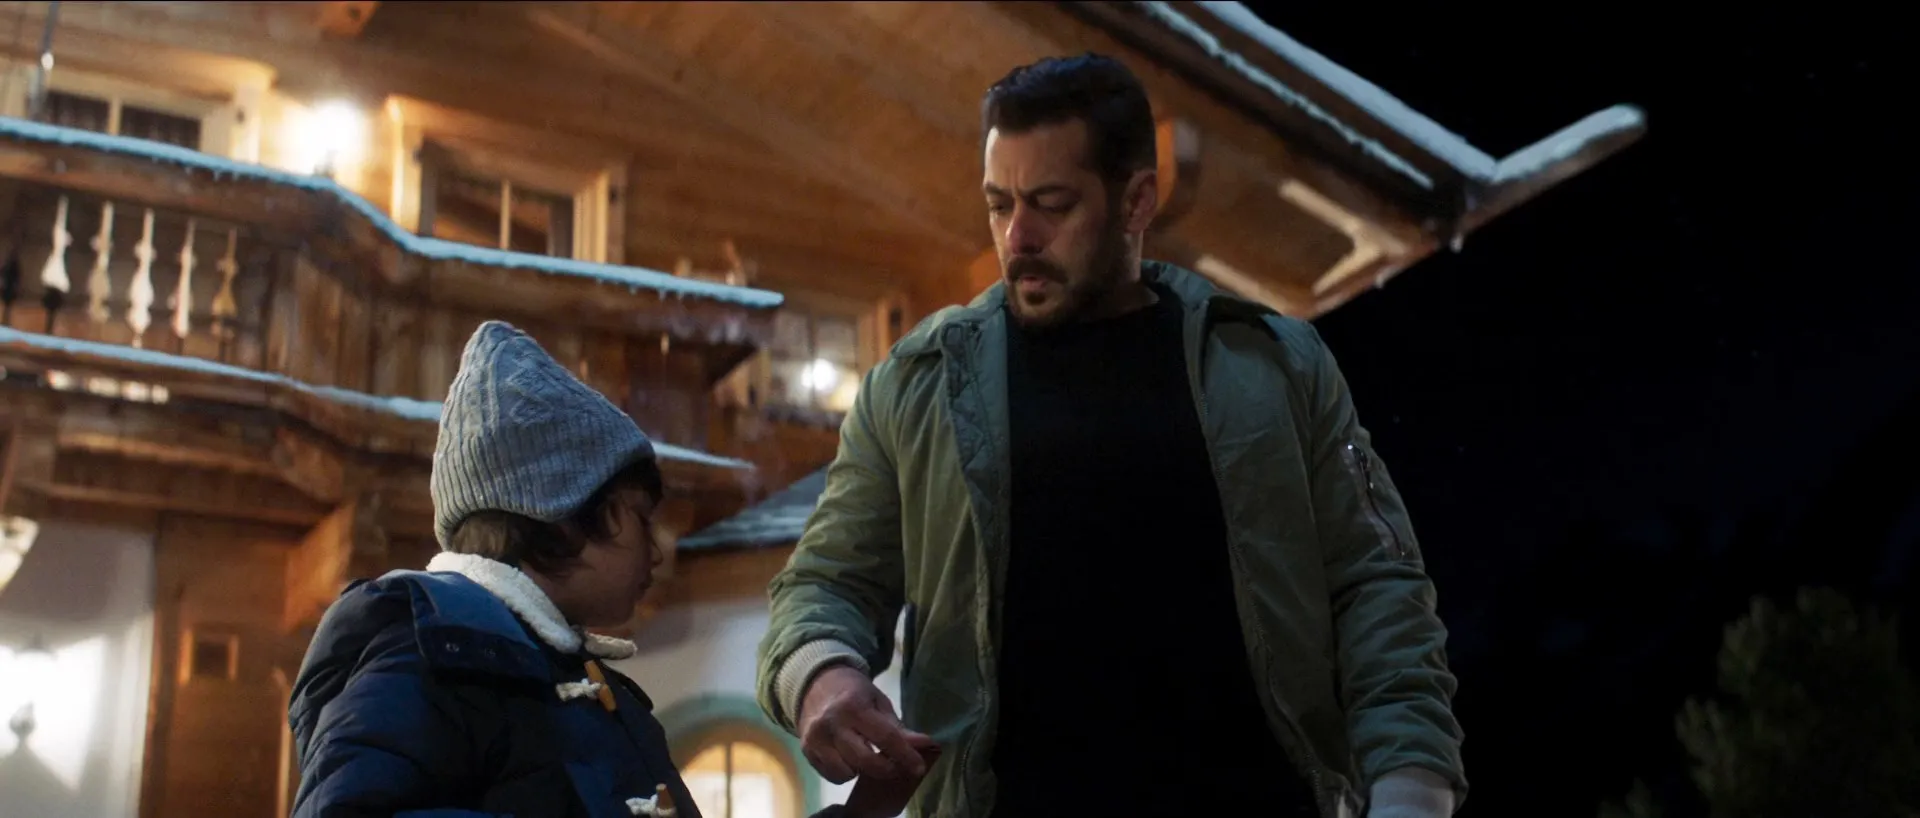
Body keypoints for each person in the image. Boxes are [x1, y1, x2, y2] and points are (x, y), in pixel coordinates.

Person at [755, 54, 1467, 818]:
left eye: (1051, 204)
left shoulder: (1273, 366)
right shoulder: (917, 385)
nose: (1018, 235)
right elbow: (825, 583)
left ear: (1136, 202)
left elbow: (1375, 584)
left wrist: (1412, 787)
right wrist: (819, 674)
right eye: (999, 204)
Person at [288, 321, 928, 818]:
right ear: (564, 513)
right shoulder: (428, 653)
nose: (657, 551)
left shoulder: (588, 688)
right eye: (642, 519)